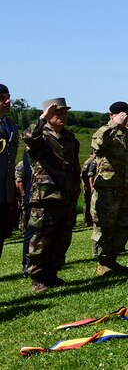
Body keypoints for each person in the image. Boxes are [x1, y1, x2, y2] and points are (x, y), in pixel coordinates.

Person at [22, 98, 80, 293]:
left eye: (64, 112)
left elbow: (74, 166)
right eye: (57, 113)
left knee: (62, 237)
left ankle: (52, 274)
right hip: (45, 197)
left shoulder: (70, 137)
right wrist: (41, 119)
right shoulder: (42, 136)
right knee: (41, 238)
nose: (62, 116)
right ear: (48, 116)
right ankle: (37, 278)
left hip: (66, 195)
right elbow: (28, 136)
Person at [89, 102, 128, 276]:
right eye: (123, 113)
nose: (127, 116)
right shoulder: (104, 131)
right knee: (104, 226)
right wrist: (115, 125)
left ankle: (113, 259)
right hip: (108, 188)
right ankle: (102, 263)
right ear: (112, 115)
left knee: (122, 226)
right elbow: (98, 145)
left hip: (126, 187)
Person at [0, 84, 18, 258]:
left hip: (5, 191)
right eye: (2, 98)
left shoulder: (11, 125)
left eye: (8, 97)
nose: (8, 101)